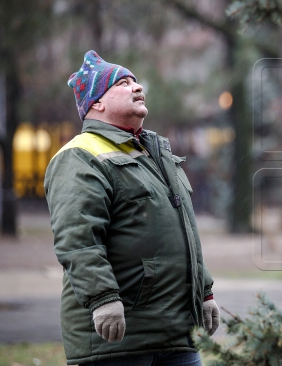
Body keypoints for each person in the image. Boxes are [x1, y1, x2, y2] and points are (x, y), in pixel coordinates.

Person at [45, 50, 219, 365]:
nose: (137, 88)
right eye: (123, 83)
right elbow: (78, 237)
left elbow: (183, 232)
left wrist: (204, 292)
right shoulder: (79, 156)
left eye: (136, 82)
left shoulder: (157, 154)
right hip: (119, 339)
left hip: (177, 334)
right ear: (96, 102)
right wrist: (103, 299)